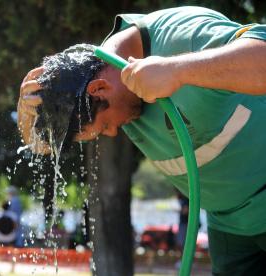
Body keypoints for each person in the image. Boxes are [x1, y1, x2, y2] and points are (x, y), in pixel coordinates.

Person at [17, 6, 266, 275]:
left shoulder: (178, 35)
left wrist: (178, 71)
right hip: (229, 226)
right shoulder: (103, 85)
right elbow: (39, 147)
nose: (113, 133)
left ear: (100, 89)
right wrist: (27, 112)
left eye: (105, 126)